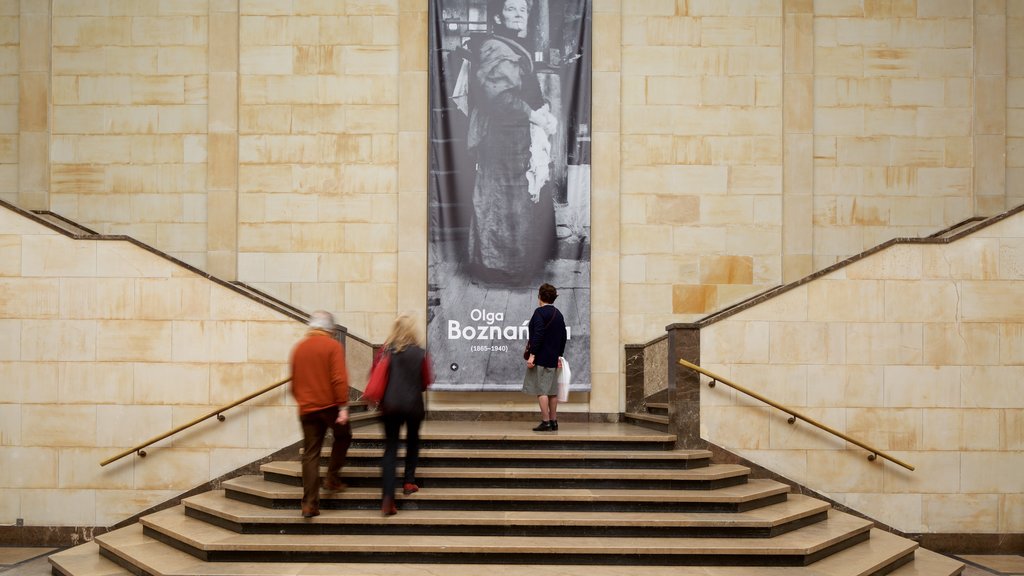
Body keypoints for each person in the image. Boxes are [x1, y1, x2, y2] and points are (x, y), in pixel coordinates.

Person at [466, 0, 558, 284]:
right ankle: (500, 268)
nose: (518, 14)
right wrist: (535, 116)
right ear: (498, 16)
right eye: (511, 9)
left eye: (523, 10)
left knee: (519, 199)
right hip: (501, 138)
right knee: (503, 201)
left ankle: (515, 265)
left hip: (517, 137)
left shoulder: (513, 45)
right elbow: (500, 98)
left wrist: (540, 110)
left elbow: (523, 89)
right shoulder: (496, 47)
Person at [289, 310, 352, 518]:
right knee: (344, 436)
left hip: (307, 408)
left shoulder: (299, 348)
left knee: (311, 454)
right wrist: (342, 407)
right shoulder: (332, 346)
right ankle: (332, 478)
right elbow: (339, 378)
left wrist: (303, 401)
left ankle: (309, 504)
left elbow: (294, 382)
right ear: (330, 329)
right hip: (330, 406)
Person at [376, 315, 433, 516]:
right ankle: (409, 482)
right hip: (413, 405)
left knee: (390, 448)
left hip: (390, 406)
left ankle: (388, 499)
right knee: (412, 442)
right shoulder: (420, 353)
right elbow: (426, 381)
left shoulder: (385, 352)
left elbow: (375, 376)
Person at [523, 283, 567, 431]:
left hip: (541, 357)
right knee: (552, 391)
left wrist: (532, 355)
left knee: (541, 390)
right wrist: (559, 355)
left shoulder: (539, 313)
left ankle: (546, 421)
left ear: (540, 297)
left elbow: (538, 335)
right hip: (553, 357)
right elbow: (563, 336)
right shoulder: (558, 314)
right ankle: (554, 421)